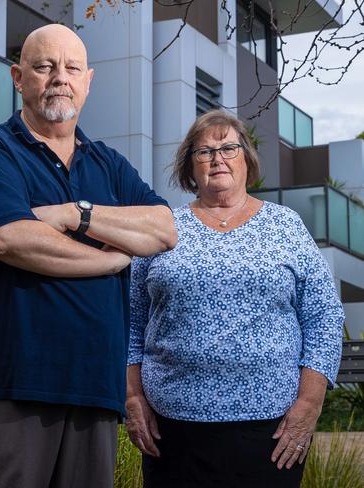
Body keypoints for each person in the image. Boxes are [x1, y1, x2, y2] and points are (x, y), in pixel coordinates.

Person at [0, 24, 177, 488]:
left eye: (72, 67)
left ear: (88, 80)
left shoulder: (108, 164)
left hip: (94, 389)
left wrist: (77, 214)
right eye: (44, 66)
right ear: (18, 77)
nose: (60, 78)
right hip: (9, 387)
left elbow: (165, 229)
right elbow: (10, 239)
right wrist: (112, 259)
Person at [126, 110, 344, 488]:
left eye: (229, 147)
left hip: (271, 431)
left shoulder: (285, 225)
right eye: (204, 151)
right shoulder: (162, 228)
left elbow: (323, 314)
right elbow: (129, 320)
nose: (218, 158)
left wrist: (310, 404)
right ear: (189, 167)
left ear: (246, 159)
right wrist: (132, 397)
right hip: (171, 430)